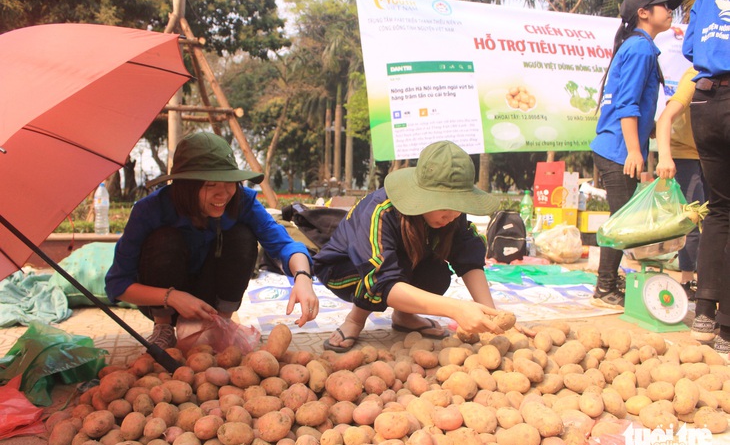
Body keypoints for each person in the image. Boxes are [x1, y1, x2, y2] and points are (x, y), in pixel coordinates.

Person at [105, 132, 318, 349]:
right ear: (184, 186)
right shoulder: (150, 210)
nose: (223, 194)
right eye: (210, 185)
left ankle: (221, 325)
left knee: (243, 236)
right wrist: (172, 297)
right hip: (164, 299)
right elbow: (117, 284)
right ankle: (163, 328)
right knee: (164, 239)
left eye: (230, 183)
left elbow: (284, 244)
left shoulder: (242, 201)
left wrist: (302, 277)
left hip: (212, 298)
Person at [313, 140, 521, 353]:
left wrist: (493, 318)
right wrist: (457, 309)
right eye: (444, 205)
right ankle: (355, 319)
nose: (451, 216)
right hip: (344, 270)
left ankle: (404, 316)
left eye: (457, 206)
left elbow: (467, 257)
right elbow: (381, 280)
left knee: (437, 274)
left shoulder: (451, 214)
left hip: (399, 266)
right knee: (390, 270)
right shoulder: (380, 212)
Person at [590, 0, 682, 310]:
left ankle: (608, 280)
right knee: (621, 221)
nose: (671, 10)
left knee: (621, 218)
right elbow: (627, 105)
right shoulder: (641, 50)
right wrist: (634, 151)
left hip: (616, 146)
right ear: (644, 12)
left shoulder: (638, 47)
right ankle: (604, 287)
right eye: (664, 6)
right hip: (618, 149)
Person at [683, 0, 730, 355]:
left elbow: (690, 47)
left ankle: (703, 314)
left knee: (719, 210)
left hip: (705, 101)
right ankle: (728, 331)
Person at [654, 65, 710, 340]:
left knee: (714, 223)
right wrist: (665, 157)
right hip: (686, 157)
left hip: (713, 157)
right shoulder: (695, 75)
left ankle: (711, 285)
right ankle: (688, 280)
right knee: (691, 221)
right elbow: (665, 118)